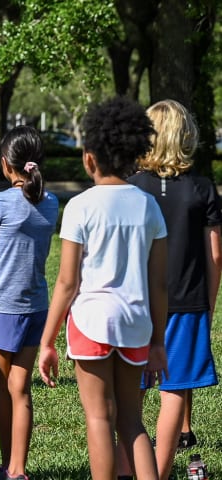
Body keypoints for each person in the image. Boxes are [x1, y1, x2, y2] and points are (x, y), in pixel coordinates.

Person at [39, 97, 167, 480]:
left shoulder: (80, 206)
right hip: (136, 325)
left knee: (98, 417)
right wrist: (159, 342)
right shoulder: (148, 206)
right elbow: (158, 284)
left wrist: (47, 341)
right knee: (132, 422)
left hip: (91, 322)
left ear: (89, 158)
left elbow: (66, 282)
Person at [127, 99, 220, 480]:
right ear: (186, 136)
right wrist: (209, 306)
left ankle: (128, 470)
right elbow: (215, 256)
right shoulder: (202, 188)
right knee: (174, 392)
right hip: (186, 305)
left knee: (131, 398)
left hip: (136, 305)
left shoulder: (130, 188)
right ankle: (159, 475)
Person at [0, 126, 58, 480]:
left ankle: (9, 465)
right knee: (21, 388)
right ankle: (18, 469)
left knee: (4, 386)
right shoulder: (52, 202)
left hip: (2, 305)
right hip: (37, 304)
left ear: (5, 165)